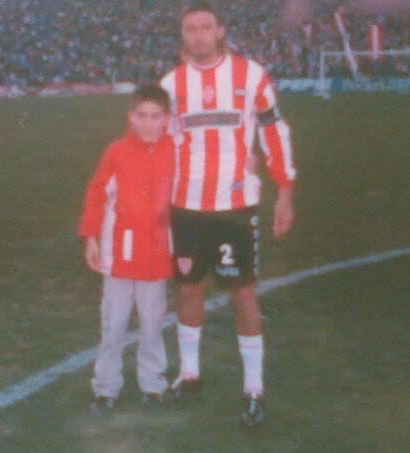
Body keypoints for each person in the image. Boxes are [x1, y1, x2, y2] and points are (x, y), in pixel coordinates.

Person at [160, 1, 297, 427]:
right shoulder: (171, 84)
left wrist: (285, 192)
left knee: (243, 294)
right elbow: (161, 144)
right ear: (183, 36)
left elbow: (275, 131)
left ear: (219, 30)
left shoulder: (250, 75)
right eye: (190, 29)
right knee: (188, 290)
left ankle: (253, 389)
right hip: (186, 207)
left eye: (206, 27)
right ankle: (189, 374)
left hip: (237, 206)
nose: (199, 35)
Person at [77, 85, 175, 417]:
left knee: (152, 323)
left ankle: (153, 384)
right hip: (119, 253)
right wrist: (91, 235)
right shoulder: (117, 152)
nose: (148, 123)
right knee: (114, 323)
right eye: (142, 116)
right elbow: (96, 192)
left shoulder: (175, 151)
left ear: (167, 119)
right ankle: (106, 388)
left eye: (155, 116)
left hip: (157, 253)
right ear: (131, 117)